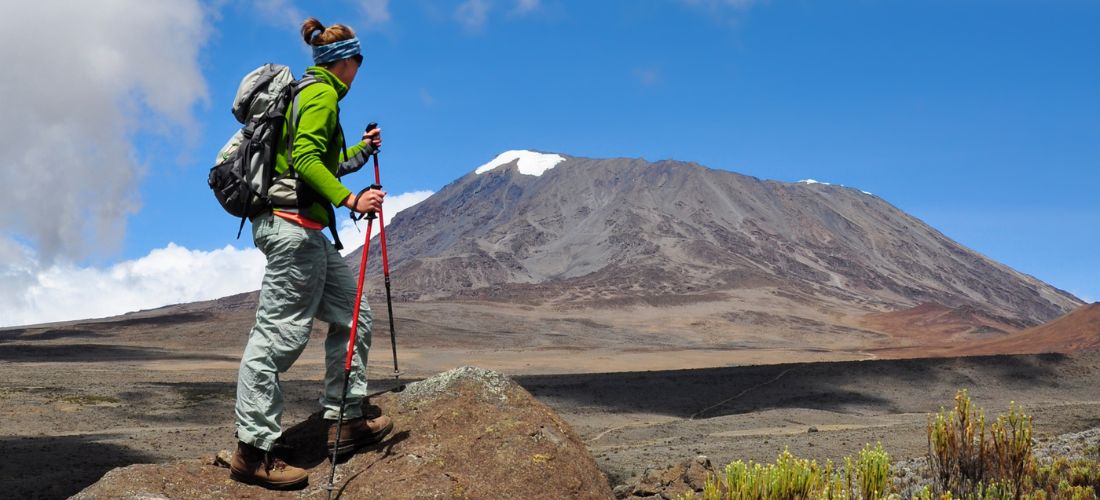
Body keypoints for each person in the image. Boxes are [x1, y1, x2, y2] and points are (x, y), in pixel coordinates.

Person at [229, 17, 393, 490]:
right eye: (358, 61)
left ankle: (346, 419)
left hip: (307, 232)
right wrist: (351, 199)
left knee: (352, 314)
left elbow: (318, 163)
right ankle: (252, 451)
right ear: (347, 62)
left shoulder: (314, 95)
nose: (359, 70)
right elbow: (303, 161)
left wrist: (361, 153)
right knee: (278, 337)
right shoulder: (320, 95)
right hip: (292, 230)